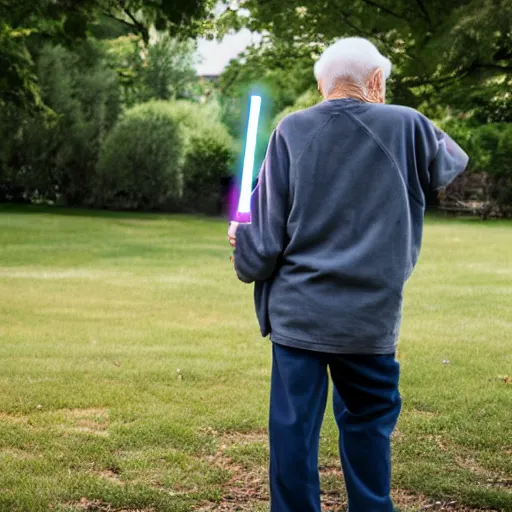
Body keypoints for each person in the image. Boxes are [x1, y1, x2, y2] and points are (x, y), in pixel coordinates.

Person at [228, 37, 469, 512]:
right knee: (368, 424)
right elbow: (450, 164)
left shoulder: (292, 131)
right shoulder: (410, 126)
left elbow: (264, 243)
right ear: (376, 82)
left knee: (293, 431)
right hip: (371, 317)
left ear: (323, 85)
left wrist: (244, 246)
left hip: (301, 317)